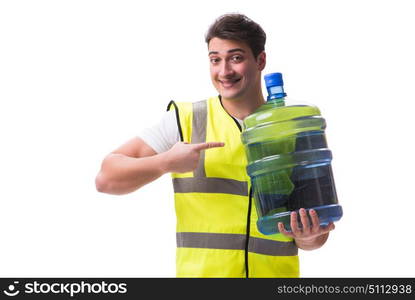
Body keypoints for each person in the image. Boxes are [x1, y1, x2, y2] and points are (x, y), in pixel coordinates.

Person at [95, 13, 335, 278]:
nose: (224, 71)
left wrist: (310, 235)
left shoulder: (293, 126)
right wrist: (165, 163)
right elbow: (106, 179)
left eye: (236, 58)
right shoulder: (186, 120)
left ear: (260, 60)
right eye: (215, 60)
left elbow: (311, 239)